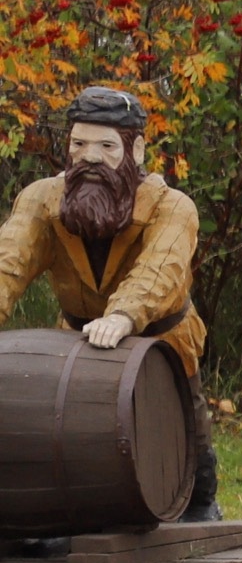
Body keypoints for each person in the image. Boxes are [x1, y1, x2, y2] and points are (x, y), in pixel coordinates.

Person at [0, 86, 223, 521]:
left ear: (135, 149)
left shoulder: (171, 206)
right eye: (79, 144)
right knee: (66, 425)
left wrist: (123, 314)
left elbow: (161, 268)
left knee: (185, 419)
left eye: (106, 145)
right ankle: (64, 512)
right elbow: (10, 260)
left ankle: (200, 499)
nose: (90, 157)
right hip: (78, 341)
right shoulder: (43, 200)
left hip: (162, 334)